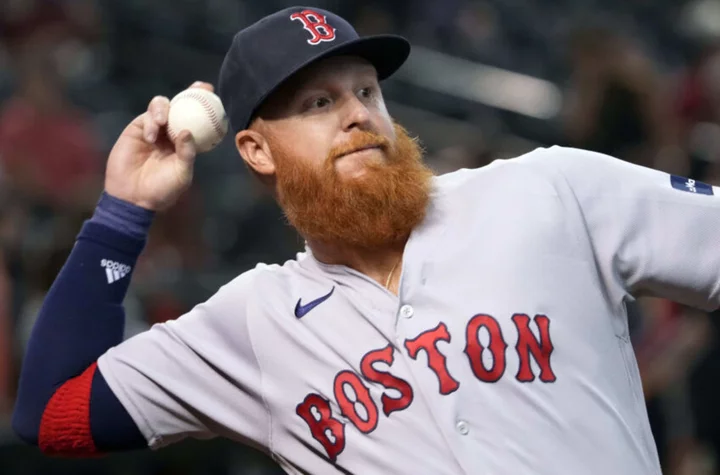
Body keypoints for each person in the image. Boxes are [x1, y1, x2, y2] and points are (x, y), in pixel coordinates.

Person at [10, 7, 720, 475]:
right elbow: (51, 415)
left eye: (366, 91)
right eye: (320, 102)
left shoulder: (549, 191)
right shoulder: (253, 322)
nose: (358, 114)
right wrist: (123, 211)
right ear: (257, 150)